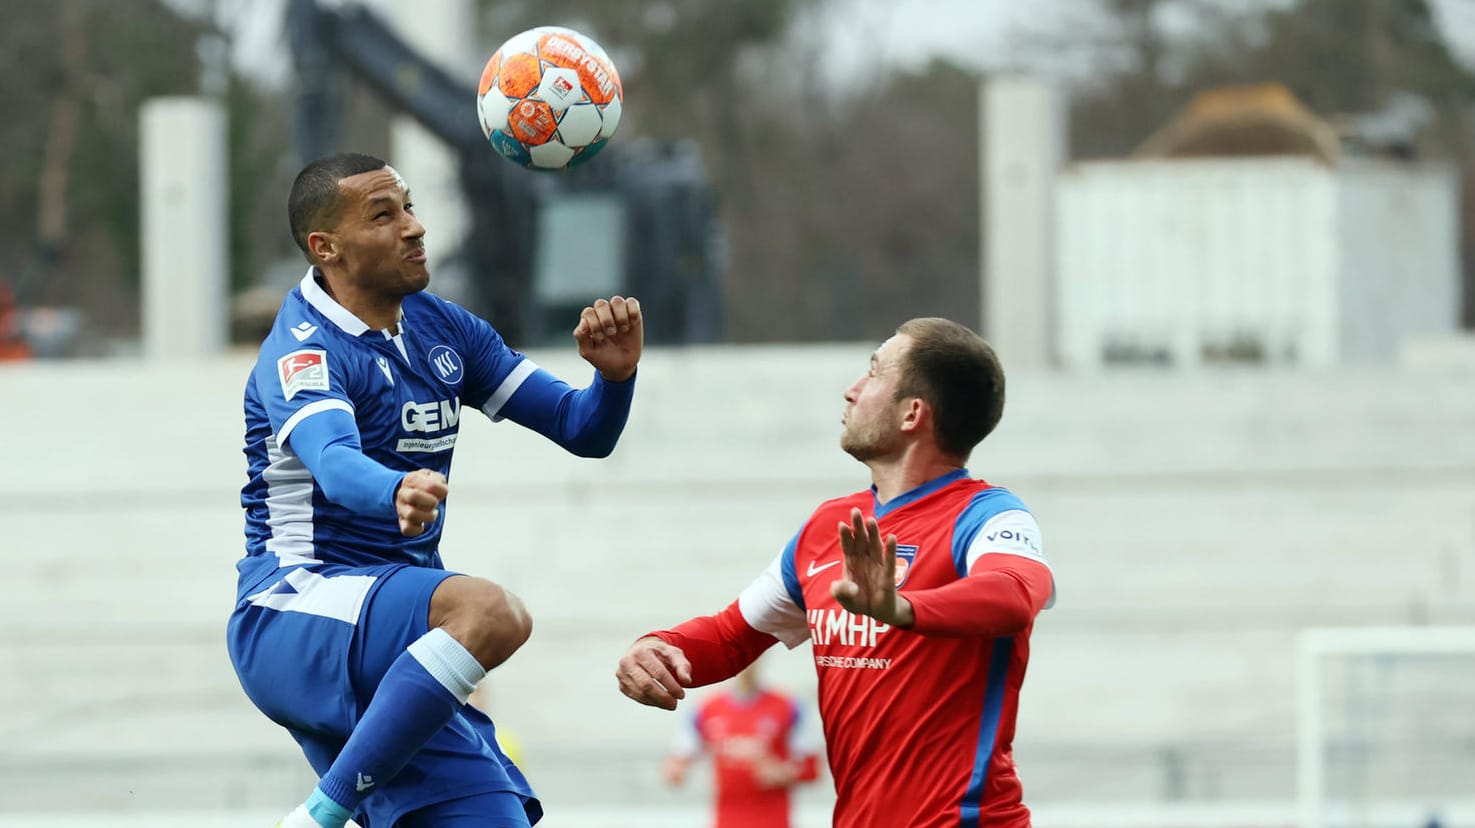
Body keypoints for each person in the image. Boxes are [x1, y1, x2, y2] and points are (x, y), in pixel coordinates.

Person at [227, 152, 643, 828]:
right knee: (491, 613)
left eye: (410, 208)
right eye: (383, 216)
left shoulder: (441, 328)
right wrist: (392, 489)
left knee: (493, 819)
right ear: (324, 248)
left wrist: (615, 381)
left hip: (394, 636)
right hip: (295, 610)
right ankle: (317, 819)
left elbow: (581, 430)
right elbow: (333, 461)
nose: (414, 228)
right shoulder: (302, 348)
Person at [616, 318, 1055, 828]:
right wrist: (661, 646)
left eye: (872, 374)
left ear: (913, 413)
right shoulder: (829, 526)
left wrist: (903, 609)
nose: (851, 391)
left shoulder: (988, 515)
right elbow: (734, 635)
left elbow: (1015, 594)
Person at [661, 661, 821, 828]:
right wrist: (675, 771)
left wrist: (784, 773)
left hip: (773, 819)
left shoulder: (790, 705)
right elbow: (677, 762)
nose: (745, 665)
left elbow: (812, 770)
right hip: (727, 819)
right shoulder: (705, 708)